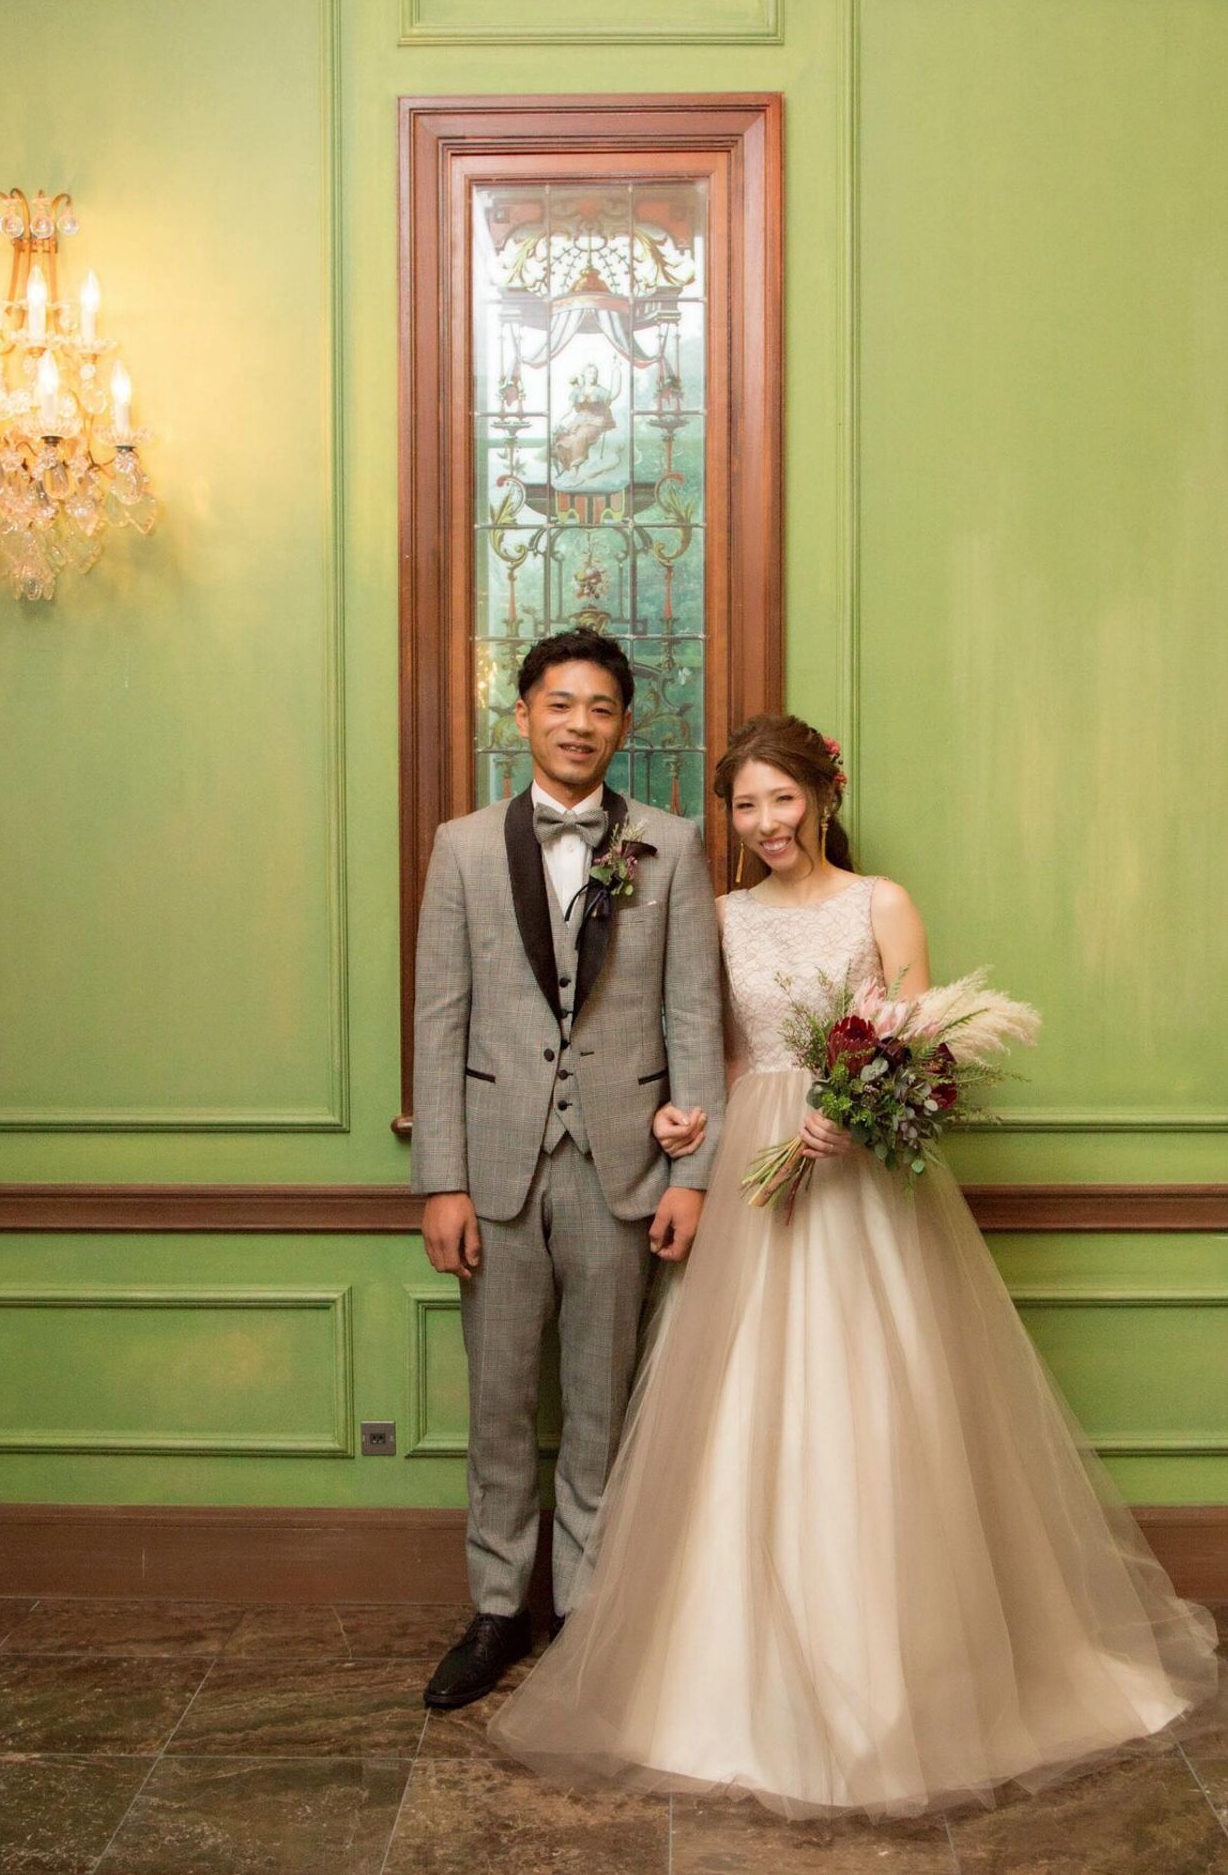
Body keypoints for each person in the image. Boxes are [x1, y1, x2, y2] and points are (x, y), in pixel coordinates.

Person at [488, 712, 1220, 1818]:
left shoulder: (881, 903)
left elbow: (925, 1048)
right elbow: (717, 1054)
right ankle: (723, 1681)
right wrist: (688, 1116)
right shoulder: (719, 915)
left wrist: (860, 1109)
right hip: (758, 1173)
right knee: (740, 1407)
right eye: (745, 805)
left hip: (863, 1180)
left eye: (781, 799)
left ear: (822, 797)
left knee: (878, 1402)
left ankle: (903, 1687)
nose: (765, 822)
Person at [412, 628, 725, 1710]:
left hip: (623, 1169)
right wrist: (441, 1181)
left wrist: (694, 1175)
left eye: (599, 707)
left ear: (623, 725)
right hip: (495, 1169)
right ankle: (499, 1609)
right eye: (559, 703)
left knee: (600, 1405)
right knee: (499, 1406)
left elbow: (695, 1013)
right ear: (524, 714)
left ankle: (589, 1619)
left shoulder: (670, 846)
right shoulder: (460, 847)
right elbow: (438, 1018)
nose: (578, 723)